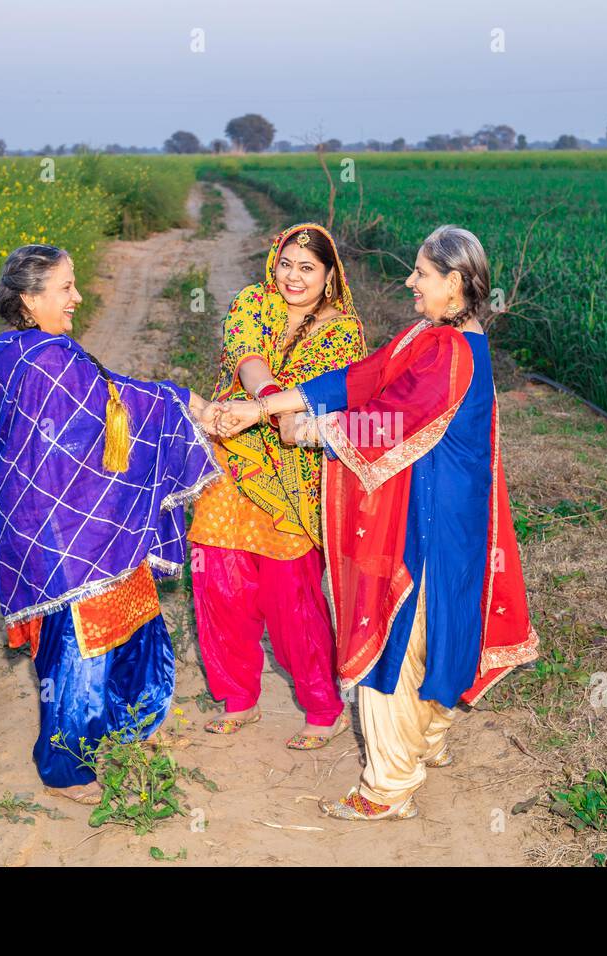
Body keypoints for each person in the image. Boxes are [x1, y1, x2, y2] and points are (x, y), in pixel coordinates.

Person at [216, 225, 539, 819]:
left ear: (456, 282)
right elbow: (364, 380)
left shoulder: (451, 353)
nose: (410, 282)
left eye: (422, 273)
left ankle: (387, 789)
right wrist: (267, 406)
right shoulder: (437, 335)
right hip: (449, 516)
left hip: (430, 521)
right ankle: (428, 741)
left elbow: (389, 422)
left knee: (396, 636)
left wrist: (310, 430)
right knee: (440, 626)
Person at [0, 244, 224, 804]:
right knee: (78, 647)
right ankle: (65, 770)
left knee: (124, 620)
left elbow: (104, 400)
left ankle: (119, 726)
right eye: (65, 288)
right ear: (29, 299)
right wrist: (185, 402)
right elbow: (114, 402)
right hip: (64, 531)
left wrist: (181, 401)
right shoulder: (42, 360)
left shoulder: (22, 350)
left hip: (63, 520)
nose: (78, 297)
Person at [188, 222, 366, 749]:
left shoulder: (344, 333)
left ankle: (321, 706)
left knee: (294, 597)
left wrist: (262, 410)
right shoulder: (252, 302)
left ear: (330, 275)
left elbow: (314, 395)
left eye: (307, 268)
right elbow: (246, 356)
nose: (293, 276)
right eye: (286, 263)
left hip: (293, 479)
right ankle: (238, 697)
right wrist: (261, 399)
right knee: (219, 580)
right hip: (231, 459)